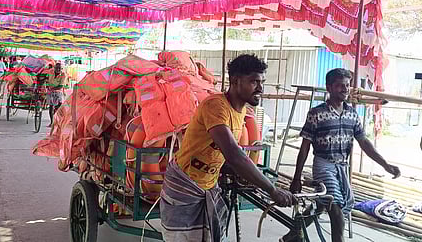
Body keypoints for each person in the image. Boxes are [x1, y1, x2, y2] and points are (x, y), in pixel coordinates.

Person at [160, 54, 294, 242]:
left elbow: (221, 155)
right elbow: (233, 154)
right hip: (185, 186)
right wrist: (272, 190)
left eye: (261, 81)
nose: (260, 88)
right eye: (254, 82)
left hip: (207, 185)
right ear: (235, 81)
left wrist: (247, 176)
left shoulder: (240, 113)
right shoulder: (216, 106)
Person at [281, 68, 401, 242]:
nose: (345, 89)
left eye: (347, 85)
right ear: (329, 87)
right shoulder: (316, 113)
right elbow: (305, 147)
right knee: (336, 210)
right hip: (323, 165)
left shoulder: (352, 114)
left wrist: (385, 165)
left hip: (342, 167)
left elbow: (364, 143)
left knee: (322, 204)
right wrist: (296, 177)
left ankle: (292, 234)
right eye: (339, 86)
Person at [47, 62, 66, 127]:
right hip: (50, 92)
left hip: (58, 92)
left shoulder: (63, 75)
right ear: (54, 68)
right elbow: (46, 78)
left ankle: (58, 122)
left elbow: (60, 86)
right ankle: (52, 122)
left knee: (58, 108)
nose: (58, 69)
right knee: (51, 107)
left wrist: (52, 88)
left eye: (59, 68)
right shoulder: (50, 72)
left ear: (61, 69)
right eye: (57, 68)